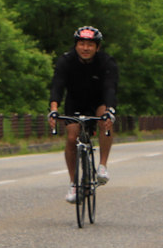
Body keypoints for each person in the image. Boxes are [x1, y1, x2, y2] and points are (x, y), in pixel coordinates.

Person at [49, 25, 119, 204]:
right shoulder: (66, 60)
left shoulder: (106, 62)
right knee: (72, 138)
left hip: (99, 101)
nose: (85, 48)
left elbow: (110, 88)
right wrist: (54, 110)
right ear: (76, 45)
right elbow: (57, 86)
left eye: (90, 45)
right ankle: (74, 183)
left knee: (104, 120)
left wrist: (110, 112)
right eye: (81, 44)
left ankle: (102, 166)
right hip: (75, 102)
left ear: (97, 47)